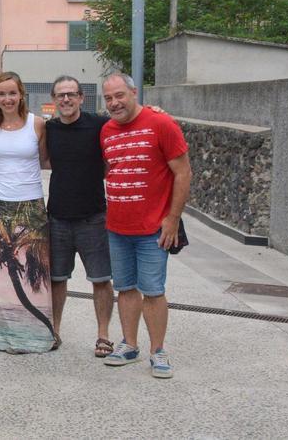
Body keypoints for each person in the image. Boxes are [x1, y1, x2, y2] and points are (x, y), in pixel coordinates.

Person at [100, 72, 191, 379]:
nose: (114, 103)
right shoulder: (107, 131)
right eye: (108, 98)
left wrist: (173, 218)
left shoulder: (161, 124)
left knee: (153, 290)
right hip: (117, 226)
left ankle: (158, 351)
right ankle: (129, 344)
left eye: (119, 95)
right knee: (125, 288)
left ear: (134, 92)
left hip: (153, 228)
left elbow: (183, 172)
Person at [0, 71, 57, 354]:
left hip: (30, 207)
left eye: (12, 93)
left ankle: (33, 335)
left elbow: (45, 160)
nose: (7, 99)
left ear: (21, 95)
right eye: (1, 93)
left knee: (34, 275)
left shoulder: (37, 124)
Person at [44, 75, 115, 358]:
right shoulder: (49, 129)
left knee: (100, 279)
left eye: (71, 94)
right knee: (57, 279)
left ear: (81, 97)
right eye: (60, 95)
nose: (66, 100)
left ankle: (104, 336)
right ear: (54, 99)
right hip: (58, 217)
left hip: (93, 217)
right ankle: (55, 331)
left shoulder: (99, 125)